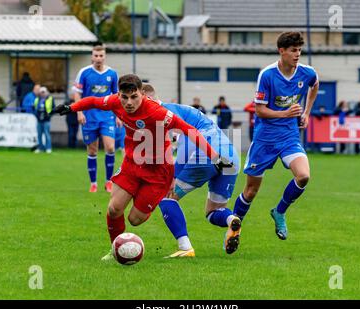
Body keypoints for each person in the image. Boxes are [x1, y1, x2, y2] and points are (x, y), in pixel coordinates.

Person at [53, 74, 232, 261]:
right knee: (114, 209)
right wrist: (71, 107)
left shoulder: (158, 112)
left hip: (157, 173)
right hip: (132, 165)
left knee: (134, 220)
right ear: (119, 94)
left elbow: (190, 130)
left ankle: (147, 197)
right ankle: (116, 250)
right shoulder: (116, 101)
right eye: (124, 97)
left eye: (134, 97)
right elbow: (93, 101)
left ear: (142, 94)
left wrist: (214, 157)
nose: (128, 102)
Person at [232, 31, 319, 240]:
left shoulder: (306, 73)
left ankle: (279, 211)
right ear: (282, 51)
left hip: (289, 137)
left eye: (299, 50)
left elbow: (315, 85)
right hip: (265, 139)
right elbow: (259, 110)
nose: (297, 54)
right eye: (293, 50)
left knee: (304, 176)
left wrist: (306, 113)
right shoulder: (268, 75)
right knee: (251, 191)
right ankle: (234, 227)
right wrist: (285, 113)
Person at [142, 84, 241, 257]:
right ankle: (232, 219)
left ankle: (185, 247)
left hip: (204, 150)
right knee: (213, 211)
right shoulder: (180, 109)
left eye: (135, 98)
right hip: (231, 153)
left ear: (145, 98)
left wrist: (170, 174)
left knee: (166, 195)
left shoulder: (160, 113)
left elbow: (179, 142)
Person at [73, 44, 119, 193]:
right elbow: (77, 94)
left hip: (106, 116)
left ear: (105, 56)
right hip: (89, 117)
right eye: (96, 56)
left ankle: (109, 181)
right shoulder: (84, 72)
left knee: (110, 147)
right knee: (92, 151)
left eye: (101, 56)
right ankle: (93, 183)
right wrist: (79, 112)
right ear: (92, 56)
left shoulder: (112, 74)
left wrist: (119, 115)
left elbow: (117, 97)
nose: (98, 58)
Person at [33, 87, 55, 153]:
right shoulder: (37, 99)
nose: (42, 94)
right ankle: (40, 148)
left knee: (47, 134)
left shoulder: (50, 99)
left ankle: (48, 148)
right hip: (39, 119)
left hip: (46, 119)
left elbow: (54, 108)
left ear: (46, 92)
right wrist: (36, 115)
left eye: (43, 92)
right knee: (39, 135)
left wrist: (50, 115)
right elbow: (34, 107)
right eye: (41, 92)